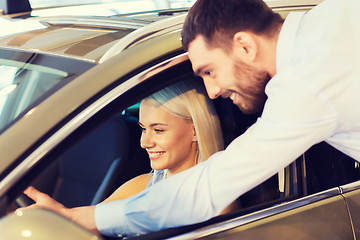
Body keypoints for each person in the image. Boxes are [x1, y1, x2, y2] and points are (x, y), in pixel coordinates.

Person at [85, 0, 359, 237]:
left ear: (244, 45)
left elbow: (206, 190)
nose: (212, 92)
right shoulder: (334, 16)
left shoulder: (304, 85)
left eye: (210, 71)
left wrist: (81, 219)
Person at [21, 79, 239, 236]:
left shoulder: (218, 203)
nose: (144, 142)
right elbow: (85, 230)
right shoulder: (140, 185)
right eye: (143, 128)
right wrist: (56, 219)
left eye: (159, 130)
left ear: (194, 130)